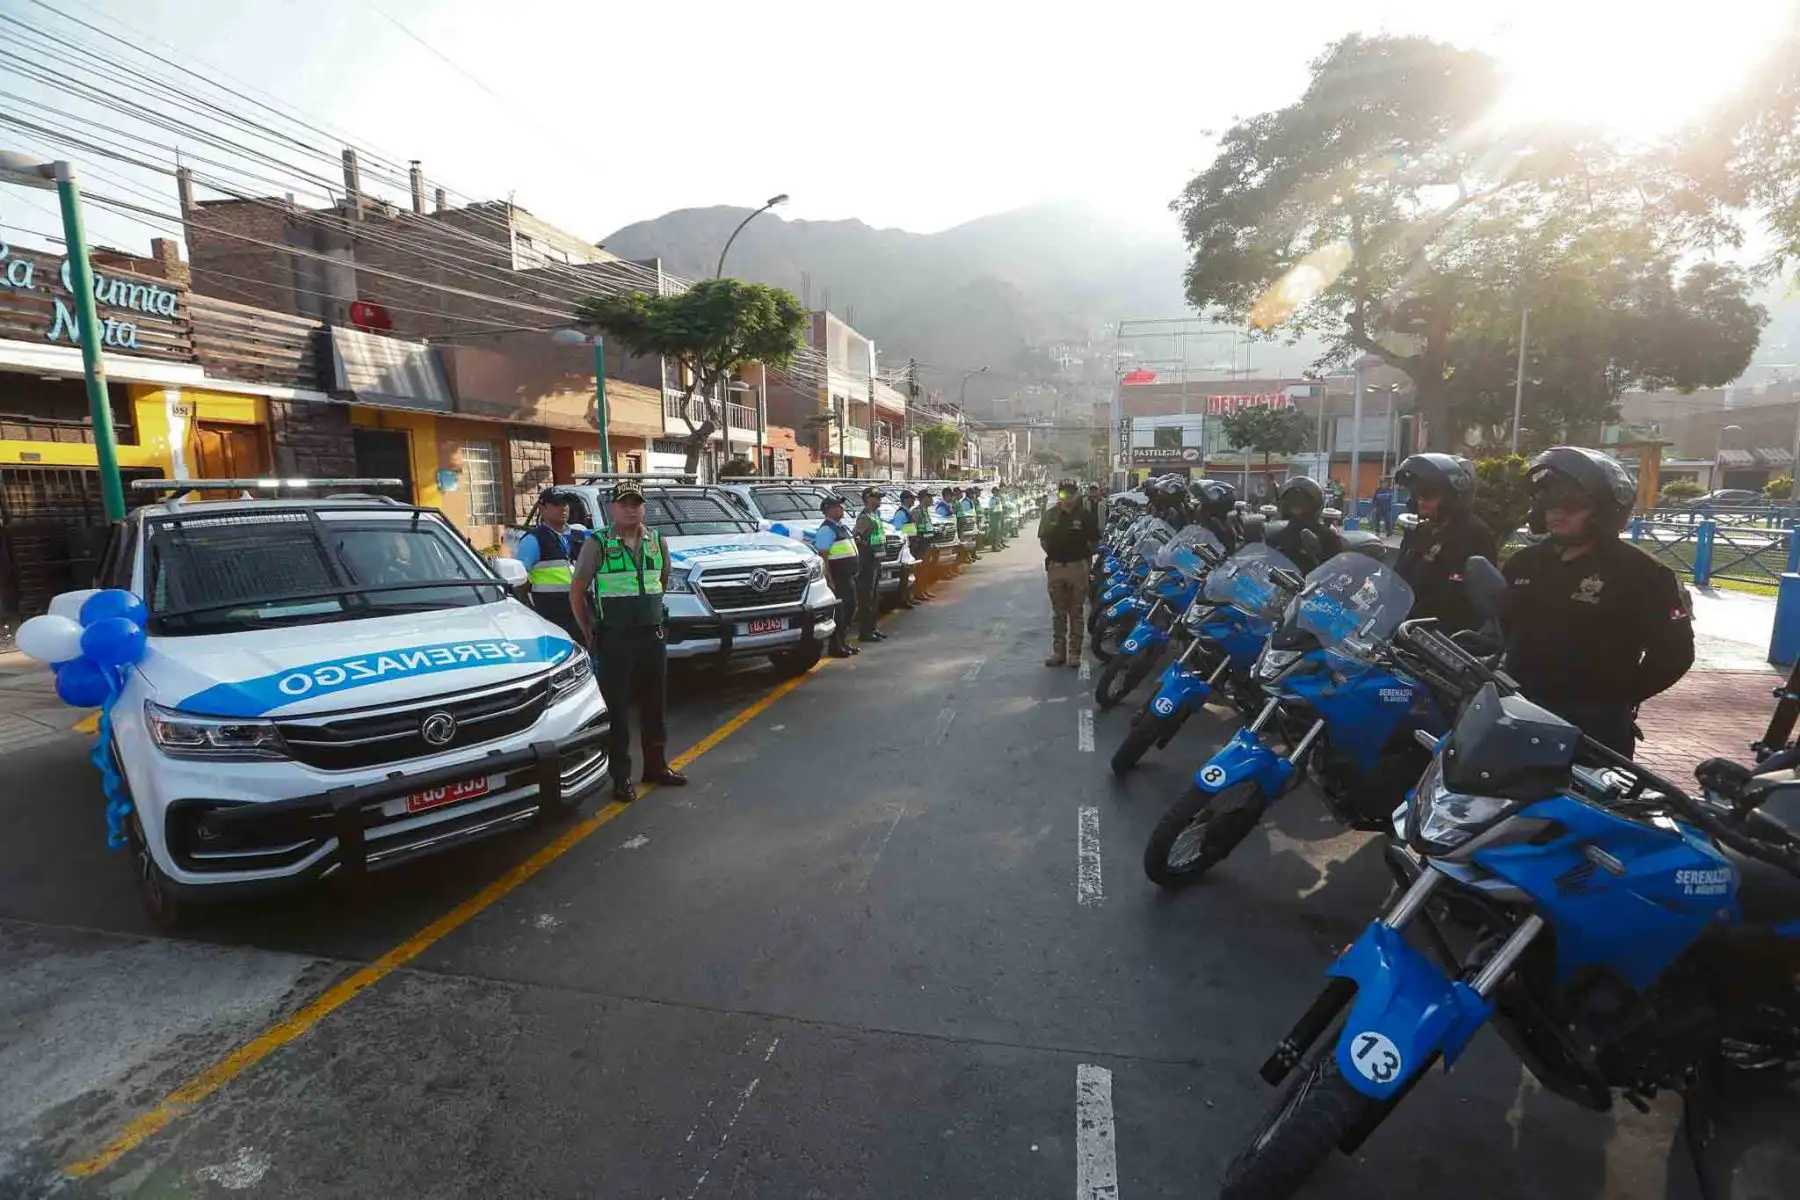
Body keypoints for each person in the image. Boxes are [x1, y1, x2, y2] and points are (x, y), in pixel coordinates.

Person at [1498, 446, 1694, 757]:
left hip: (1593, 729)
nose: (1556, 512)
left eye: (1570, 503)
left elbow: (1675, 654)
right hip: (1520, 712)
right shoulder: (1523, 563)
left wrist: (1617, 698)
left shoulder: (1643, 573)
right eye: (1548, 502)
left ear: (1604, 508)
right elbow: (1503, 625)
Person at [569, 482, 687, 803]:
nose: (631, 508)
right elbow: (578, 590)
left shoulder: (657, 542)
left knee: (654, 705)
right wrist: (587, 630)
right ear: (613, 509)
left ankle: (656, 766)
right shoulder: (598, 543)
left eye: (636, 503)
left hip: (651, 636)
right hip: (615, 639)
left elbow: (660, 582)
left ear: (643, 508)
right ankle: (620, 776)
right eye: (624, 503)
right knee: (617, 710)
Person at [1392, 454, 1497, 634]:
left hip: (1444, 642)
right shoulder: (1420, 532)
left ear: (1453, 495)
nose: (1420, 500)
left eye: (1429, 493)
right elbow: (1398, 578)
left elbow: (1462, 600)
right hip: (1404, 631)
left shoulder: (1475, 534)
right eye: (1417, 493)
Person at [516, 487, 589, 642]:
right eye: (556, 504)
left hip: (583, 615)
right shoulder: (533, 540)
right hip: (552, 618)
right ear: (542, 508)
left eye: (565, 503)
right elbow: (517, 579)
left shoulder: (580, 535)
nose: (563, 508)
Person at [1040, 478, 1099, 667]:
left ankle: (1075, 654)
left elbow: (1093, 542)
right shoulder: (1050, 515)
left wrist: (1084, 563)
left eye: (1072, 493)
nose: (1069, 497)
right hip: (1056, 567)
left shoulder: (1085, 516)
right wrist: (1054, 556)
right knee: (1059, 613)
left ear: (1077, 494)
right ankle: (1059, 652)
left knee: (1076, 612)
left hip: (1077, 567)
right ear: (1060, 494)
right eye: (1065, 493)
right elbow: (1044, 540)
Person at [811, 493, 861, 657]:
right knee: (839, 614)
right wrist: (829, 580)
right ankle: (836, 646)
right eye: (838, 506)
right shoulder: (826, 529)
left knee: (850, 609)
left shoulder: (840, 527)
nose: (842, 509)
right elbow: (823, 557)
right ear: (829, 510)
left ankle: (844, 643)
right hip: (838, 579)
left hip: (848, 577)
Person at [1265, 476, 1343, 571]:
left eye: (1302, 503)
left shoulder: (1328, 537)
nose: (1297, 508)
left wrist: (1317, 553)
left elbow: (1338, 572)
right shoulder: (1273, 533)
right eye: (1292, 502)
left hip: (1312, 584)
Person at [853, 486, 891, 641]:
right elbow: (854, 535)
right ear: (869, 499)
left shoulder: (874, 515)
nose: (880, 500)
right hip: (867, 562)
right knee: (866, 598)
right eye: (877, 497)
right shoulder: (864, 517)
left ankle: (872, 628)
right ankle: (865, 632)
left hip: (876, 560)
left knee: (874, 597)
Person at [894, 488, 935, 601]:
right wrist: (914, 539)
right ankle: (915, 593)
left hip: (923, 542)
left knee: (924, 569)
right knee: (916, 570)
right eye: (911, 498)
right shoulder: (913, 511)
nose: (913, 500)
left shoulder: (922, 510)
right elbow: (906, 529)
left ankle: (921, 591)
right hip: (913, 544)